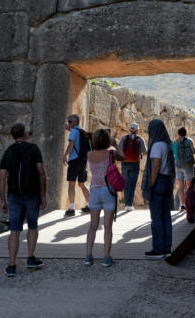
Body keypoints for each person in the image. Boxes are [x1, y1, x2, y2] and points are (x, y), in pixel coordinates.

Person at [0, 122, 47, 277]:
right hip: (32, 194)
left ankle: (12, 265)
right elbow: (41, 172)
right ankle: (31, 258)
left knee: (14, 231)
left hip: (14, 195)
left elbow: (1, 178)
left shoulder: (8, 152)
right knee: (32, 226)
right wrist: (43, 194)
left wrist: (3, 200)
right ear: (25, 134)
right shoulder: (33, 149)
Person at [84, 129, 125, 267]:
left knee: (92, 226)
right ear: (108, 140)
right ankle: (106, 257)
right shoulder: (111, 154)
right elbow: (123, 157)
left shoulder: (90, 154)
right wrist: (115, 143)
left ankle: (88, 256)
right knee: (107, 227)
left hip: (94, 191)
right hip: (108, 191)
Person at [141, 119, 176, 258]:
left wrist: (150, 185)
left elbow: (156, 166)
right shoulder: (167, 145)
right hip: (168, 181)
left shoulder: (156, 146)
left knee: (156, 217)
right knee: (166, 216)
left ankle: (158, 249)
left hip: (159, 181)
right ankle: (167, 248)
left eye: (150, 128)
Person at [62, 114, 90, 216]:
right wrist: (69, 129)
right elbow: (77, 138)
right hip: (83, 160)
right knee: (82, 184)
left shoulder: (74, 131)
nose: (68, 123)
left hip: (74, 160)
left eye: (70, 122)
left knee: (71, 184)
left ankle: (72, 208)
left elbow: (72, 143)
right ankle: (89, 206)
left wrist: (65, 155)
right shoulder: (81, 131)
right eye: (68, 121)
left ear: (75, 122)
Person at [117, 123, 147, 210]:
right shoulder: (140, 139)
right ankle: (130, 204)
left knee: (126, 183)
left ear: (130, 130)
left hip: (125, 163)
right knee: (132, 184)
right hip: (135, 163)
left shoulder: (124, 138)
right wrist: (139, 156)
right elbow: (145, 152)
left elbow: (118, 150)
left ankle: (126, 204)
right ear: (137, 131)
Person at [172, 127, 195, 211]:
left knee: (180, 186)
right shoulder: (190, 141)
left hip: (178, 165)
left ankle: (182, 205)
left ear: (178, 134)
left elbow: (173, 153)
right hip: (188, 165)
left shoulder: (175, 143)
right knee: (189, 186)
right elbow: (193, 151)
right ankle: (189, 204)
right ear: (186, 133)